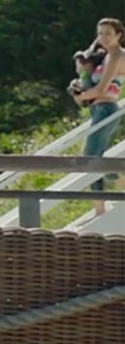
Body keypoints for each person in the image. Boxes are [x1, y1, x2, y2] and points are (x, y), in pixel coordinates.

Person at [73, 18, 125, 215]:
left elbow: (102, 89)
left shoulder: (117, 56)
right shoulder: (105, 56)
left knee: (91, 158)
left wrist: (82, 97)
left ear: (119, 35)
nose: (103, 38)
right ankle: (100, 207)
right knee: (98, 158)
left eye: (108, 33)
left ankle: (99, 210)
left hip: (106, 110)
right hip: (98, 110)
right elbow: (93, 86)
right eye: (100, 33)